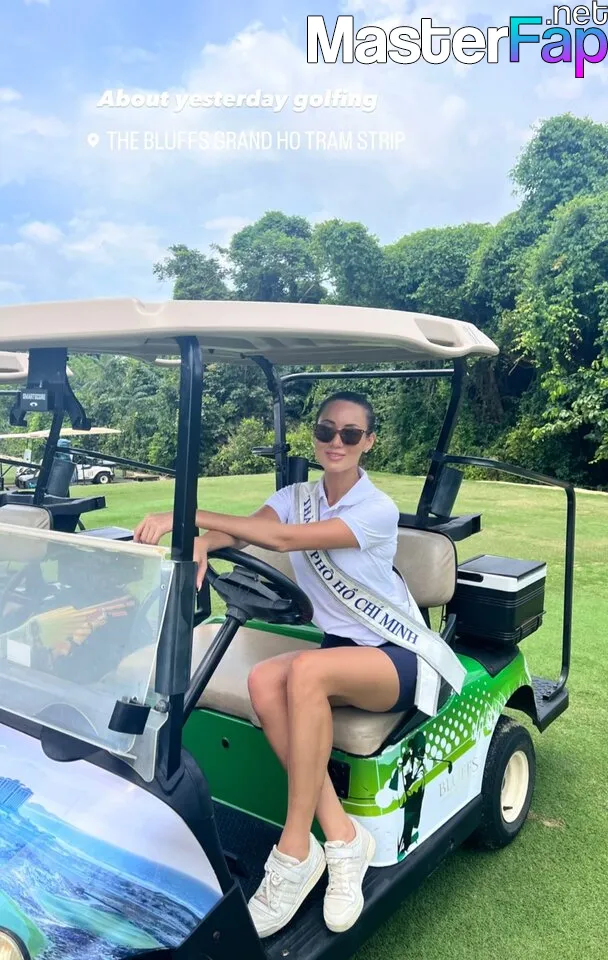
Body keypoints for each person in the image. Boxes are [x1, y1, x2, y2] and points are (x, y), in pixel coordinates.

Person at [133, 391, 462, 939]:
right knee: (265, 680)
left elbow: (283, 539)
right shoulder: (297, 496)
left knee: (306, 672)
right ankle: (343, 837)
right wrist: (206, 543)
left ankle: (293, 850)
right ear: (315, 435)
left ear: (368, 442)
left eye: (350, 434)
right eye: (326, 430)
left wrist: (182, 517)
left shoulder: (375, 509)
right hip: (340, 649)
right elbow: (250, 528)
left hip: (399, 655)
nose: (336, 442)